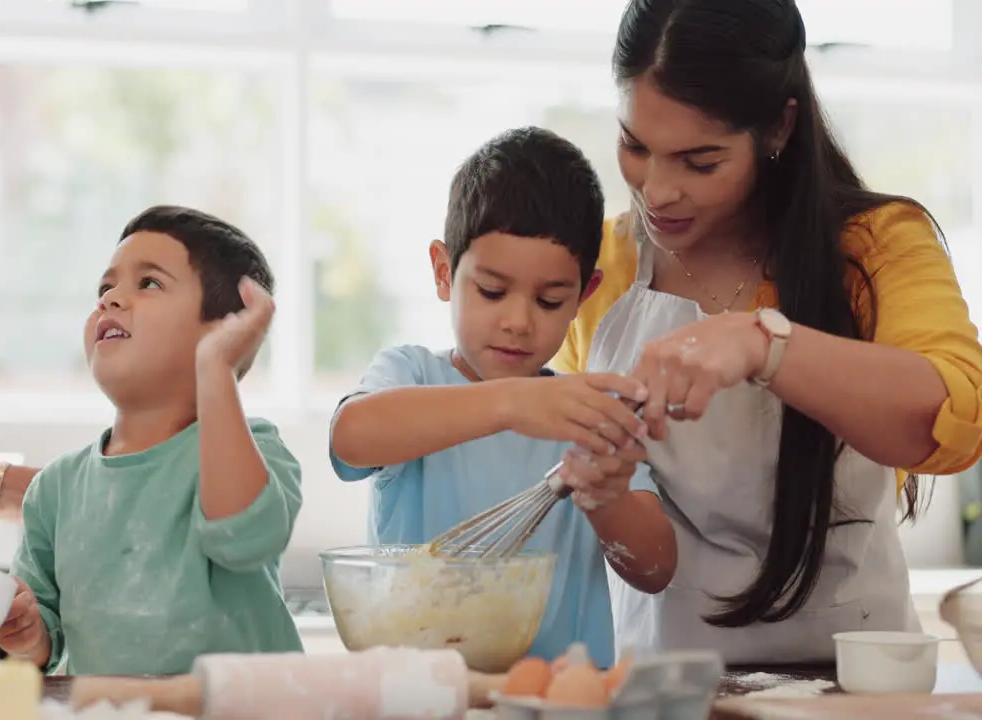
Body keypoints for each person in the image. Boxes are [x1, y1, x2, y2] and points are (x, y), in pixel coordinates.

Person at [555, 0, 982, 663]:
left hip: (854, 689)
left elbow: (953, 422)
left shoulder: (876, 246)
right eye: (636, 147)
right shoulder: (601, 266)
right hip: (664, 685)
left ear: (778, 127)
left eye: (700, 161)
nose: (657, 191)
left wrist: (766, 344)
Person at [329, 127, 678, 670]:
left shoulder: (584, 412)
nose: (517, 322)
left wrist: (607, 499)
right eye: (492, 291)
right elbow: (351, 437)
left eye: (549, 299)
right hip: (422, 697)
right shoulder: (410, 373)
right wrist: (510, 403)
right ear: (444, 273)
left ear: (583, 297)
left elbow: (655, 569)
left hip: (554, 701)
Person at [0, 205, 304, 676]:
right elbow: (44, 644)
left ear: (223, 330)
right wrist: (26, 635)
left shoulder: (253, 448)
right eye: (105, 287)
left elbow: (243, 537)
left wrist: (215, 367)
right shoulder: (55, 489)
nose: (111, 299)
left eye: (148, 283)